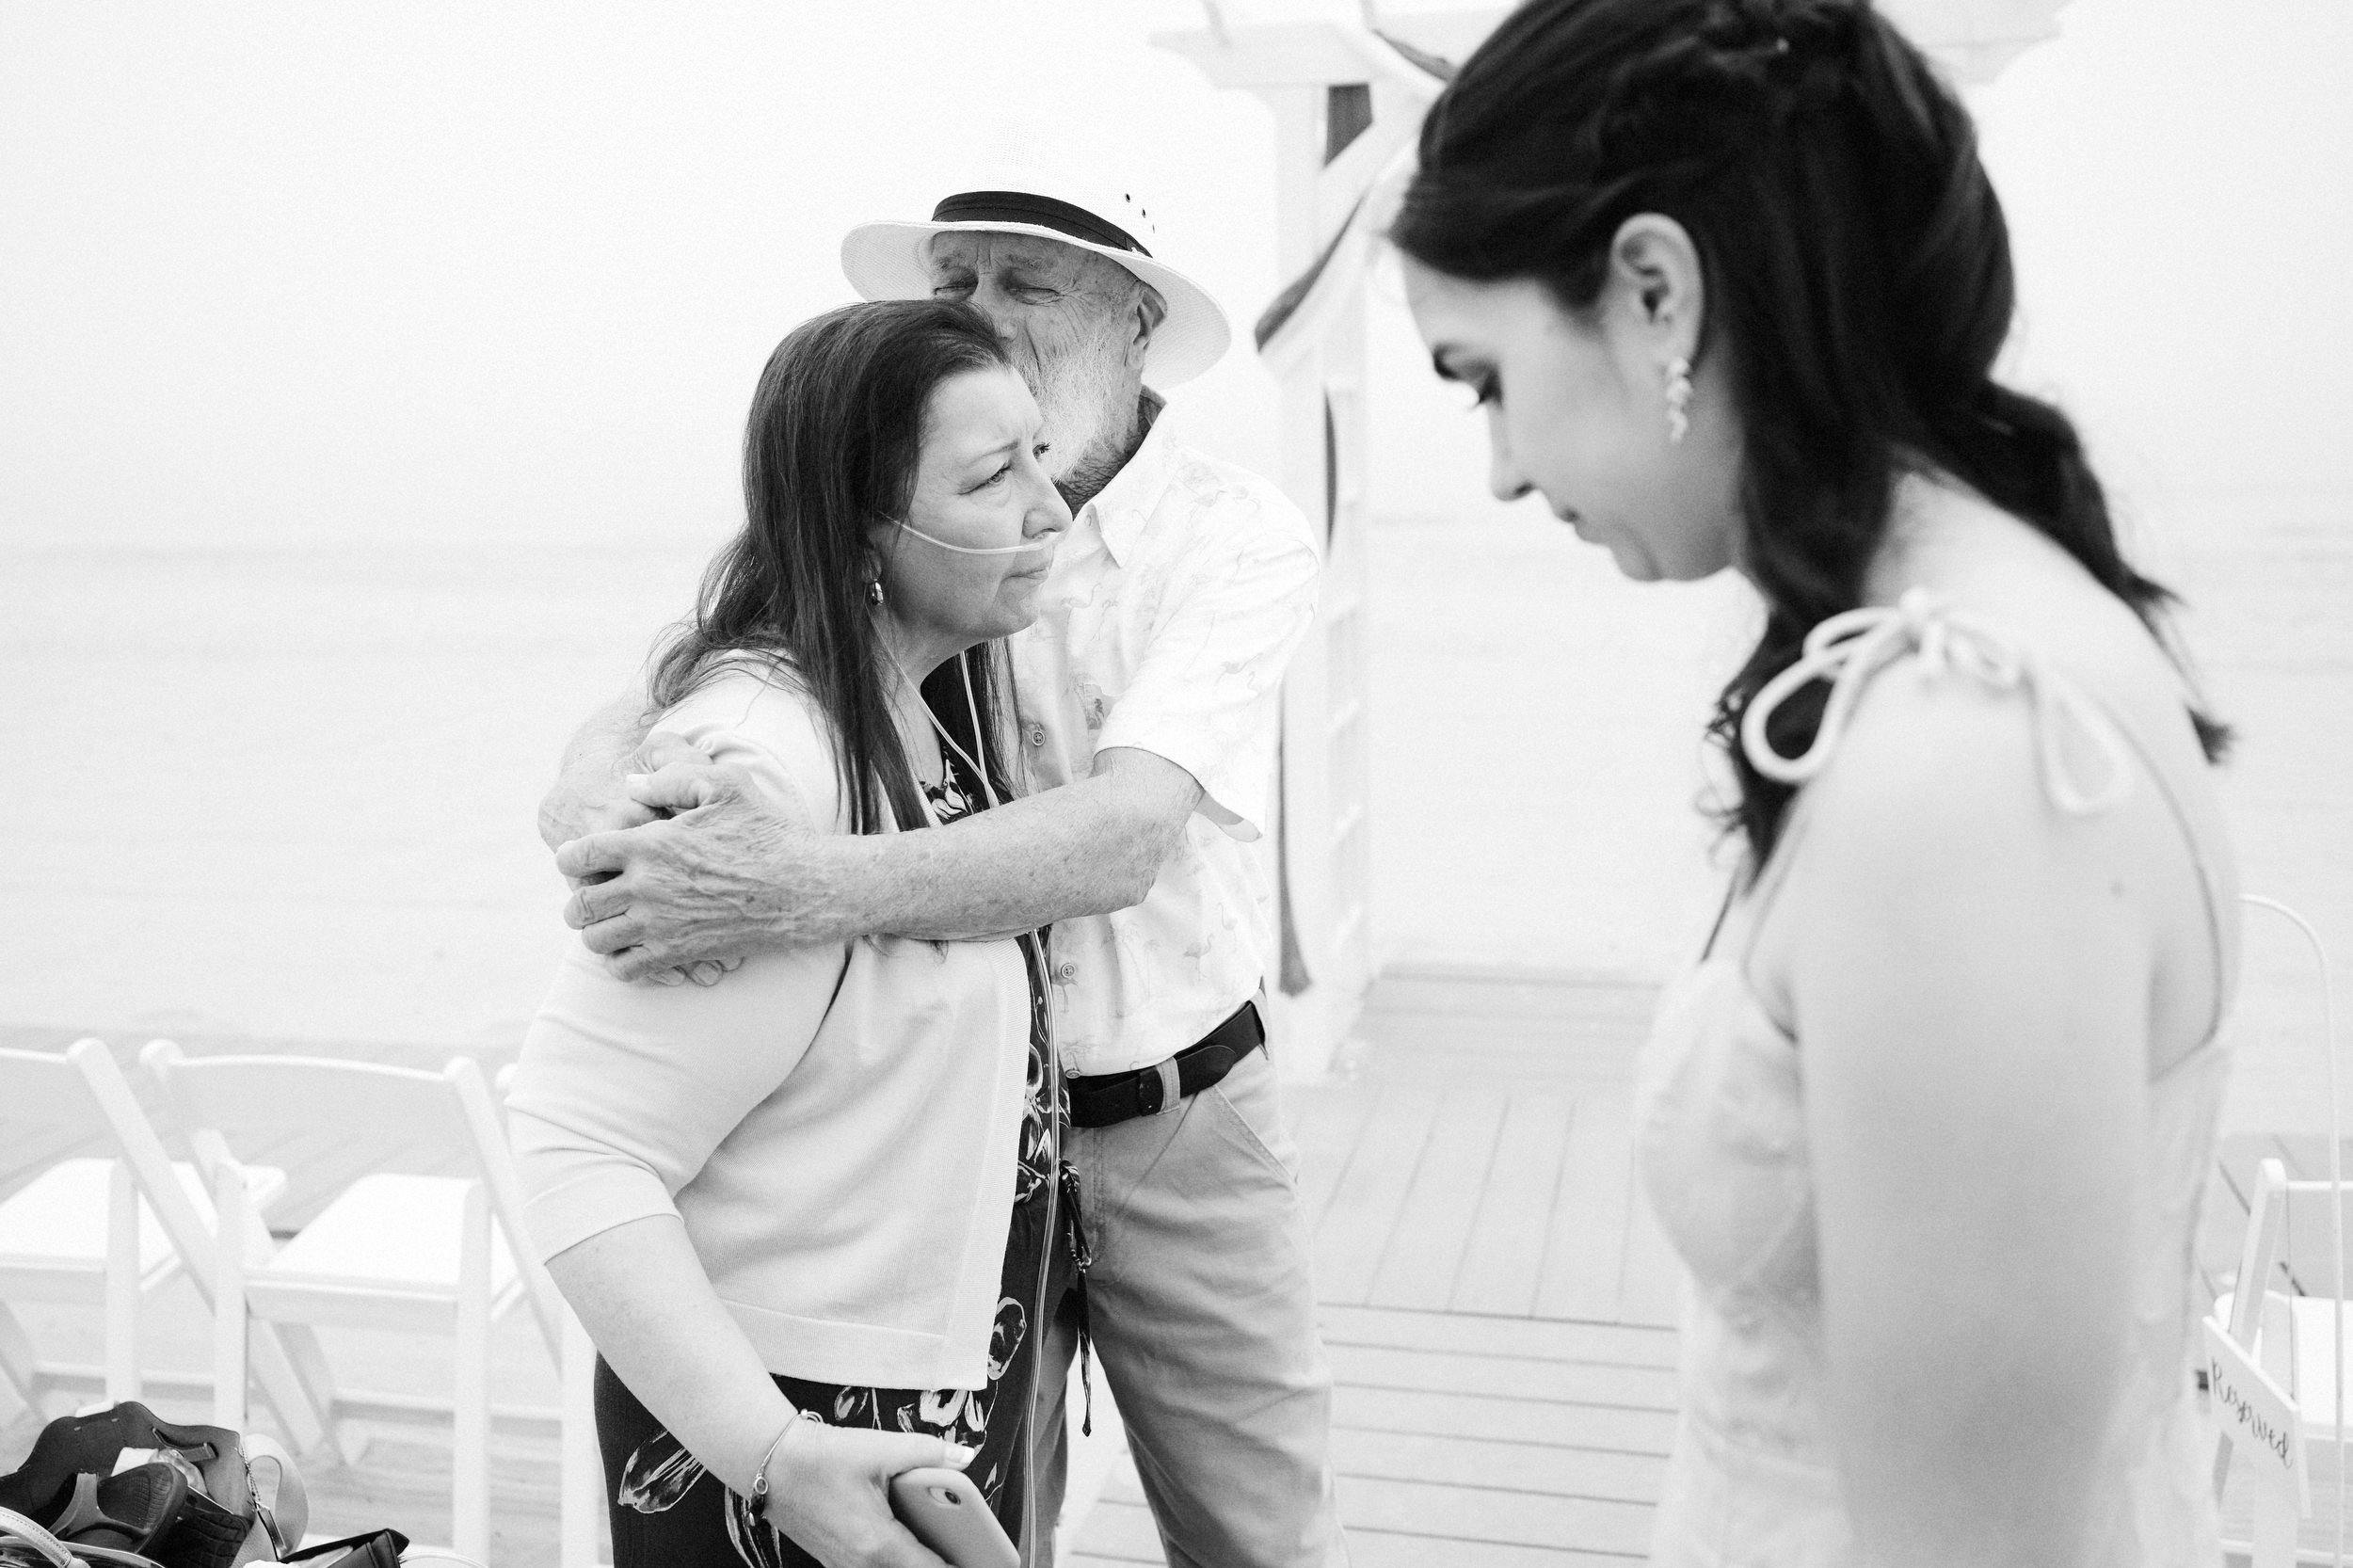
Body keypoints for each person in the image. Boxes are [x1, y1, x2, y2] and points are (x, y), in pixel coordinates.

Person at [1391, 3, 2238, 1564]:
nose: (1499, 466)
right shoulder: (1957, 655)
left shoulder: (1967, 768)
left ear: (1655, 289)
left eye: (1482, 377)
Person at [539, 164, 1345, 1568]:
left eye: (1027, 284)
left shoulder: (1233, 535)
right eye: (956, 280)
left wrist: (780, 884)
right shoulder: (893, 499)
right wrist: (644, 815)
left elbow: (1118, 840)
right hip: (952, 1138)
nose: (980, 310)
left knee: (1259, 1535)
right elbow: (674, 703)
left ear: (1134, 328)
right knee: (979, 1525)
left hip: (1172, 1111)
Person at [506, 296, 1075, 1568]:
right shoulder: (762, 759)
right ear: (866, 526)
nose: (1053, 507)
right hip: (791, 1443)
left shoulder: (927, 705)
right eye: (994, 477)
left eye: (1041, 454)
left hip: (914, 1409)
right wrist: (774, 1455)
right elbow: (575, 1138)